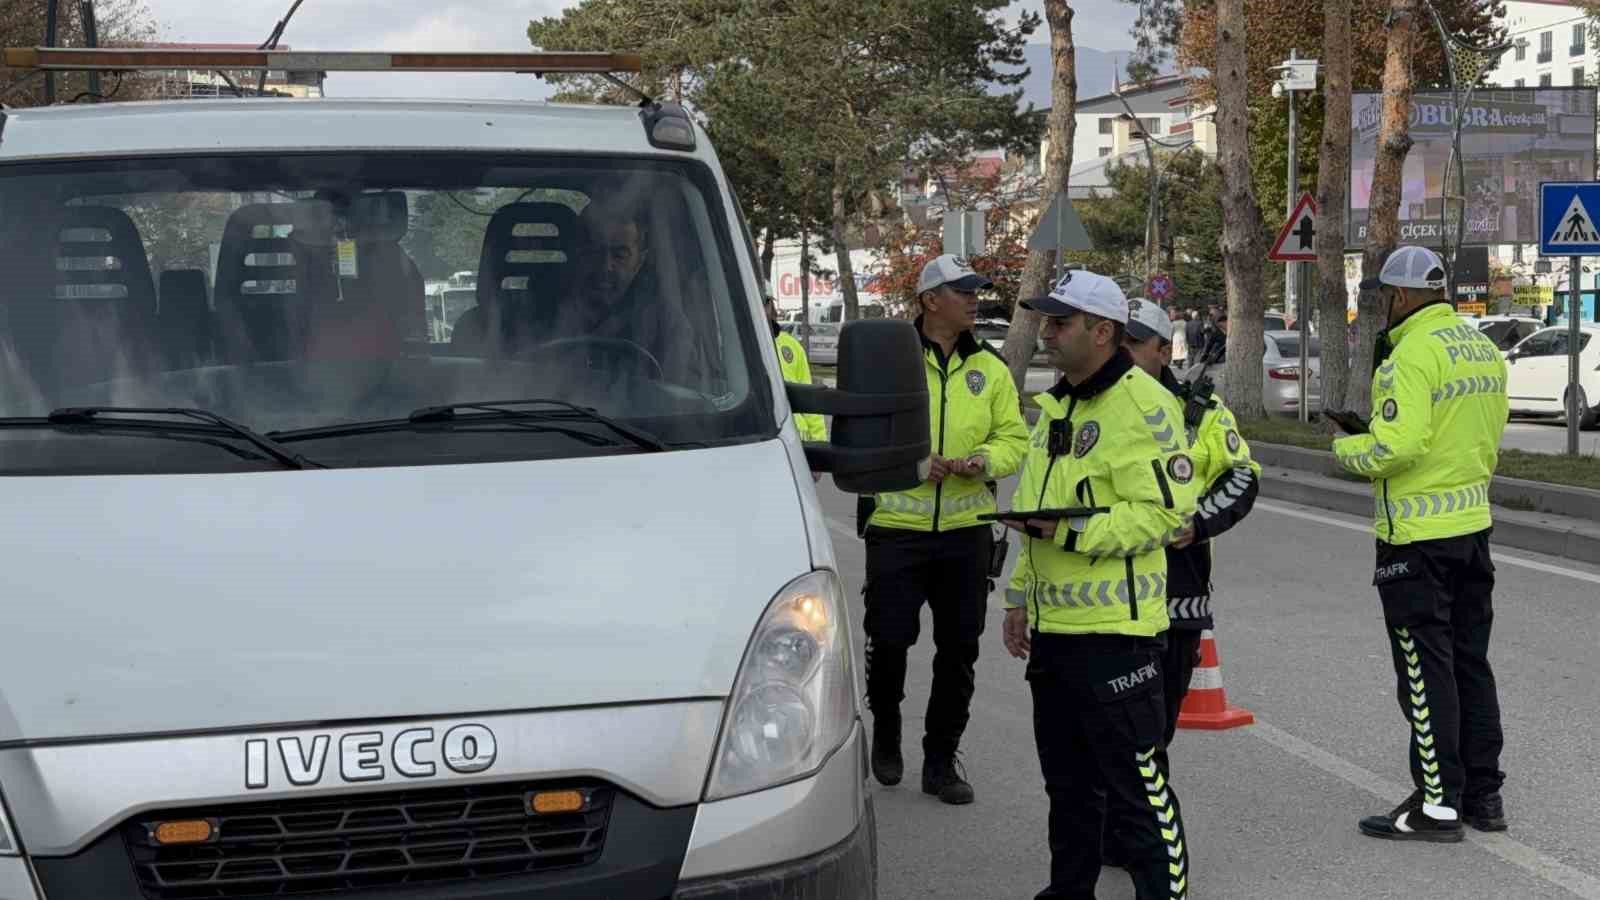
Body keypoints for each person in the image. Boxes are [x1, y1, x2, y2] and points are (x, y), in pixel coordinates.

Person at [999, 270, 1199, 900]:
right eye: (1046, 321)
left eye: (1059, 322)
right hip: (1056, 636)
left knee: (1139, 795)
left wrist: (1071, 535)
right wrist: (1018, 596)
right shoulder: (1059, 406)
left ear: (1103, 331)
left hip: (1117, 638)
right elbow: (1034, 508)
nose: (1048, 333)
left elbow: (1167, 513)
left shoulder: (1144, 406)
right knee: (1068, 786)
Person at [1331, 245, 1509, 843]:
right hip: (1471, 530)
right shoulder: (1481, 348)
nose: (1385, 307)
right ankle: (1484, 795)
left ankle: (1436, 805)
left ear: (1401, 297)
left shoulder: (1408, 357)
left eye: (1384, 296)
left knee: (1423, 671)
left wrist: (1346, 448)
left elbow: (1396, 448)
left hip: (1415, 540)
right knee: (1469, 662)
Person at [861, 253, 1030, 805]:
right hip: (896, 528)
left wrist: (983, 460)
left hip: (966, 532)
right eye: (963, 291)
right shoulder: (890, 362)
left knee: (959, 652)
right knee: (888, 641)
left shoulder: (992, 369)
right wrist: (913, 464)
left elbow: (1015, 439)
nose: (975, 299)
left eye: (976, 290)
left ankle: (940, 761)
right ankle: (886, 732)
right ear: (931, 300)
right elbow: (862, 436)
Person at [1101, 298, 1260, 869]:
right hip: (1107, 599)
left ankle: (1139, 838)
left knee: (1154, 730)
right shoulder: (1092, 405)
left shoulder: (1202, 411)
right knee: (1110, 727)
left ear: (1161, 351)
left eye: (1131, 344)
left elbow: (1242, 477)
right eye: (1114, 341)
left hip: (1177, 600)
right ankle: (1115, 832)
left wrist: (1196, 525)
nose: (1118, 353)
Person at [764, 291, 827, 443]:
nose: (761, 307)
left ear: (772, 305)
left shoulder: (791, 345)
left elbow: (808, 396)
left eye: (765, 301)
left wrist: (819, 441)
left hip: (799, 440)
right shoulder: (734, 348)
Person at [1168, 305, 1189, 370]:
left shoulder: (1173, 323)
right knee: (1183, 351)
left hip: (1176, 338)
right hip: (1183, 337)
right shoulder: (1185, 323)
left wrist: (1170, 338)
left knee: (1176, 351)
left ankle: (1176, 361)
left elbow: (1171, 331)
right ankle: (1180, 362)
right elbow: (1187, 330)